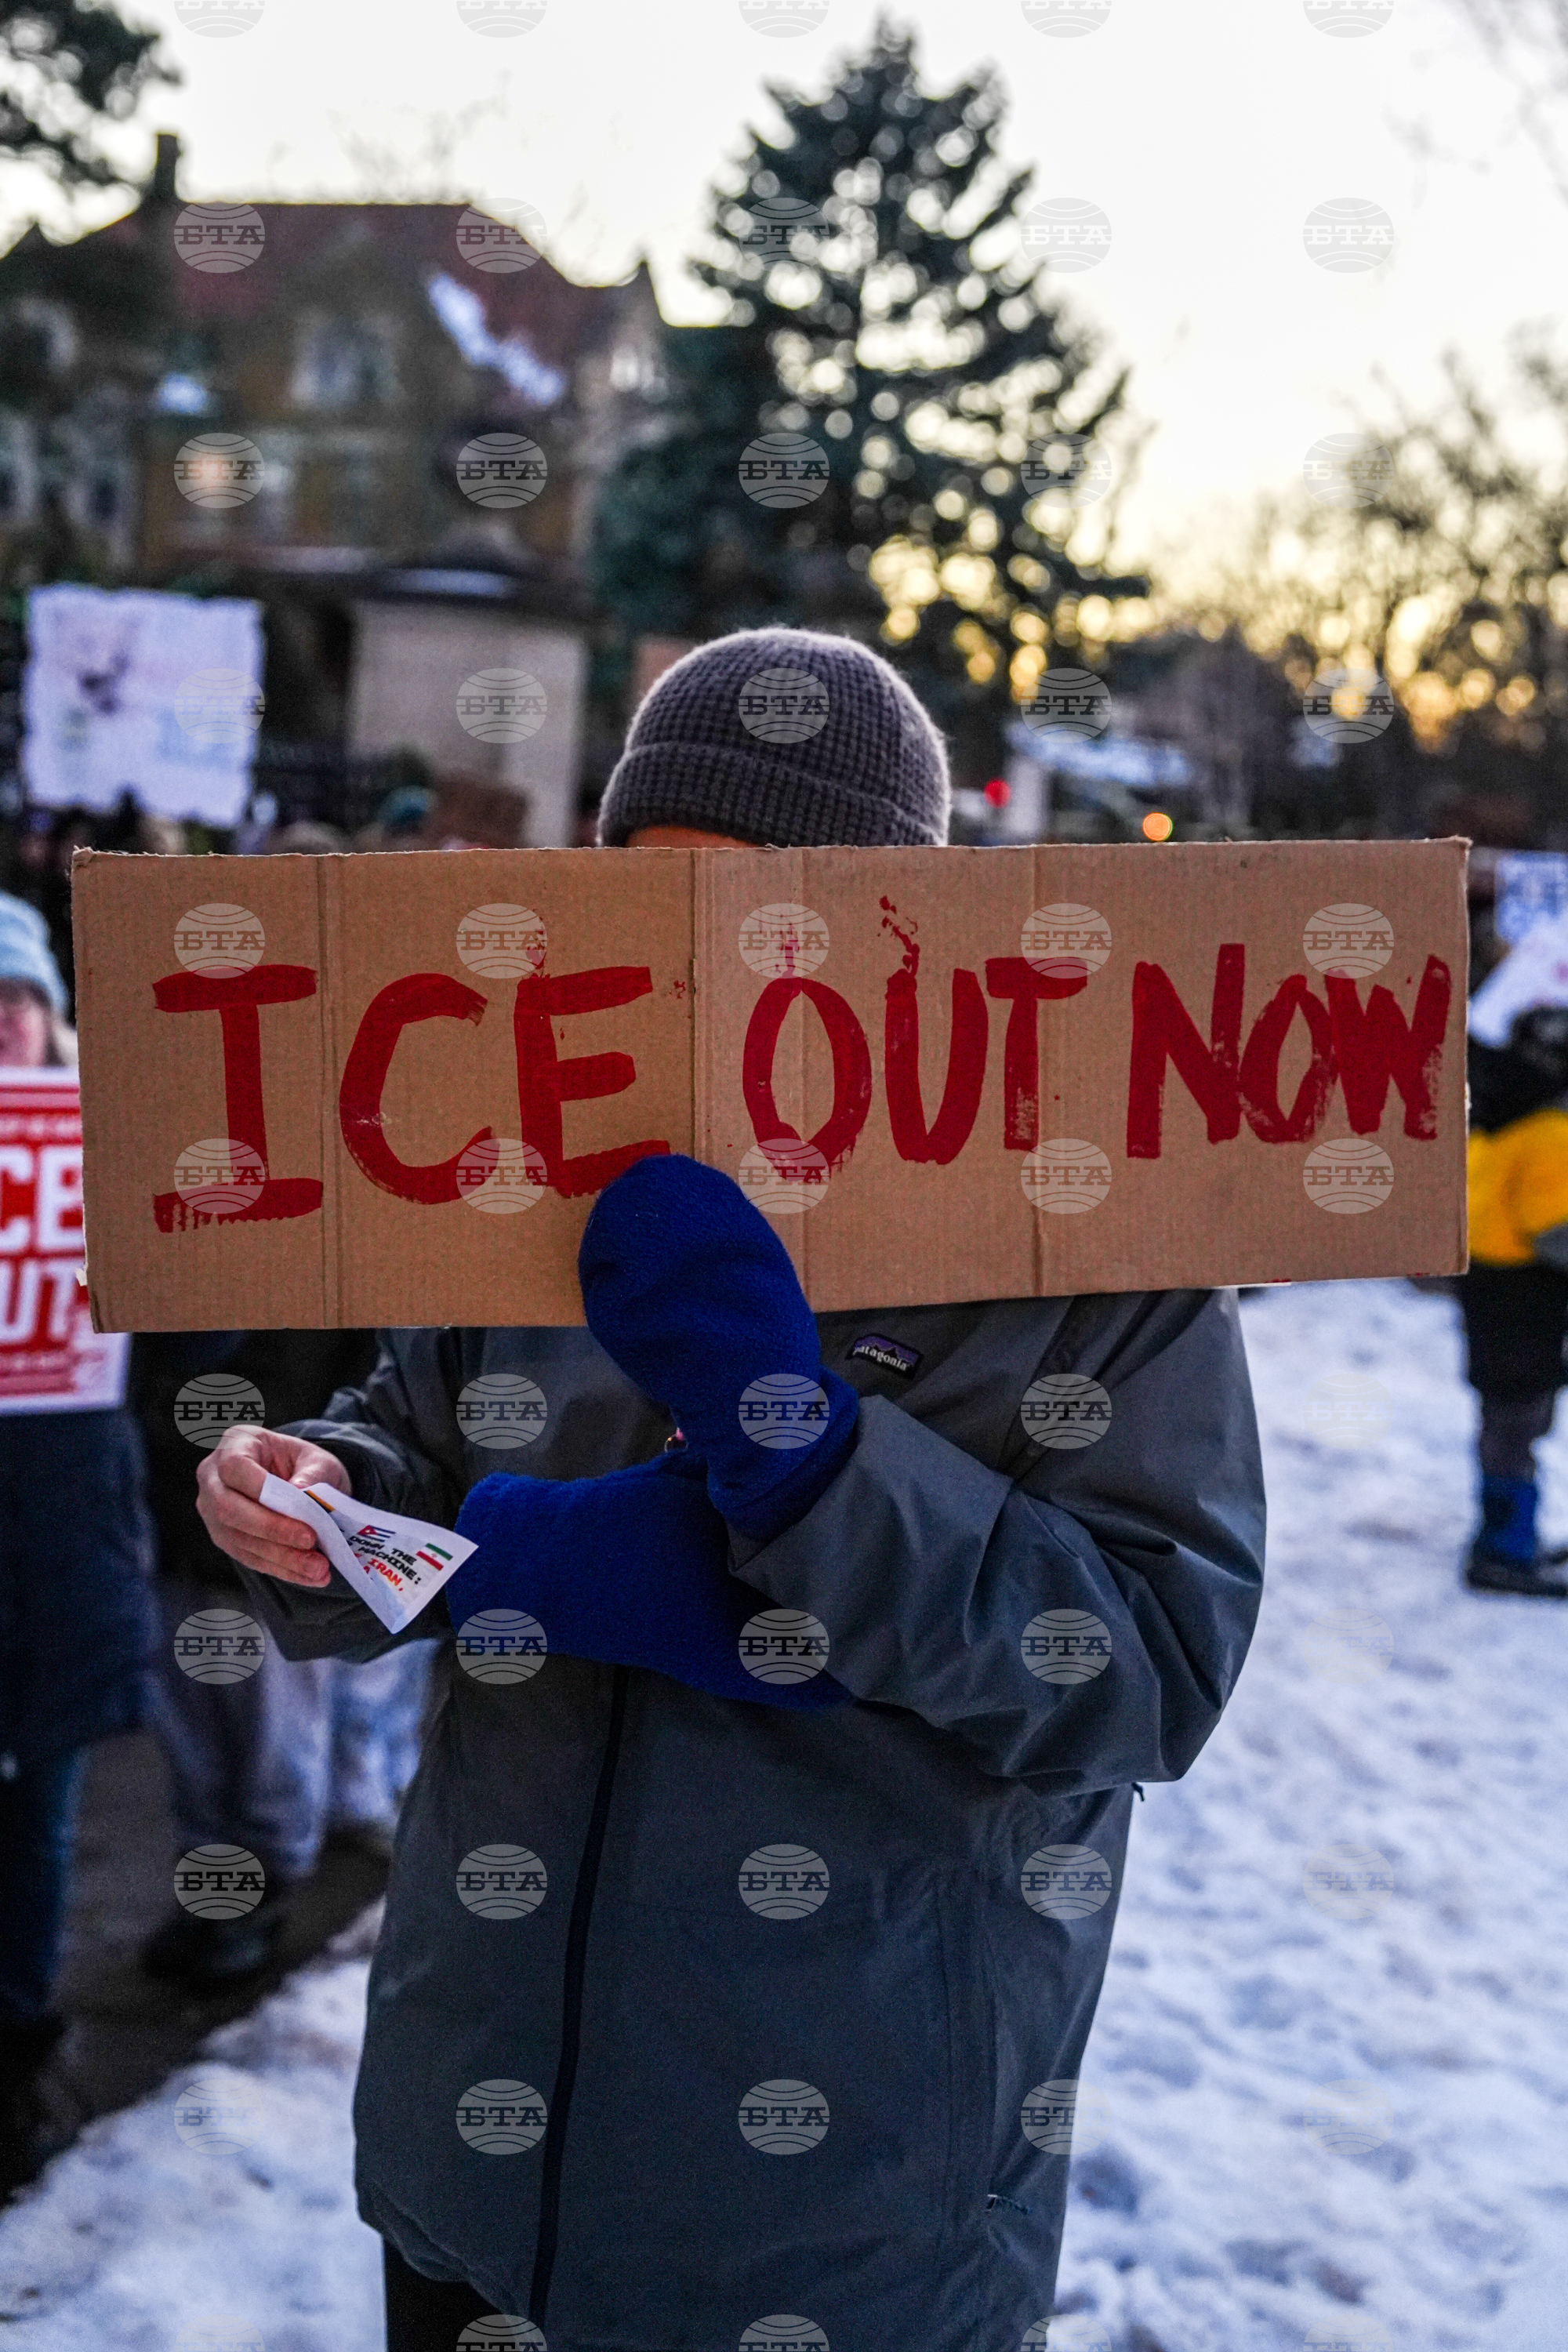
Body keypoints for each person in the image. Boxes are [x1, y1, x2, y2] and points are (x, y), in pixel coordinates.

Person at [194, 630, 1266, 2352]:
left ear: (884, 920)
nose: (688, 973)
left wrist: (820, 1471)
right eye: (646, 909)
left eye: (752, 916)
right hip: (475, 2160)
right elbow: (421, 1447)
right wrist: (317, 1504)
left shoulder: (1096, 1241)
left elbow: (1147, 1669)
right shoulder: (534, 1160)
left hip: (837, 2217)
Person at [0, 893, 156, 2194]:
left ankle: (14, 2057)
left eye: (17, 1002)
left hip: (60, 1557)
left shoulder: (111, 1158)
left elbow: (198, 1359)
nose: (2, 1027)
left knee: (39, 1824)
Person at [129, 1325, 431, 1993]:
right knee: (193, 1737)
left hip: (275, 1521)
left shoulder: (324, 1266)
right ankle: (212, 1890)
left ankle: (264, 1892)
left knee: (276, 1738)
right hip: (171, 1505)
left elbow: (374, 1391)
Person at [1461, 1000, 1568, 1596]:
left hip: (1488, 1289)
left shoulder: (1493, 1104)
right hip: (1527, 1299)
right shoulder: (1550, 1130)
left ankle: (1505, 1538)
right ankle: (1504, 1550)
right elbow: (1555, 1231)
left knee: (1503, 1422)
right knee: (1518, 1425)